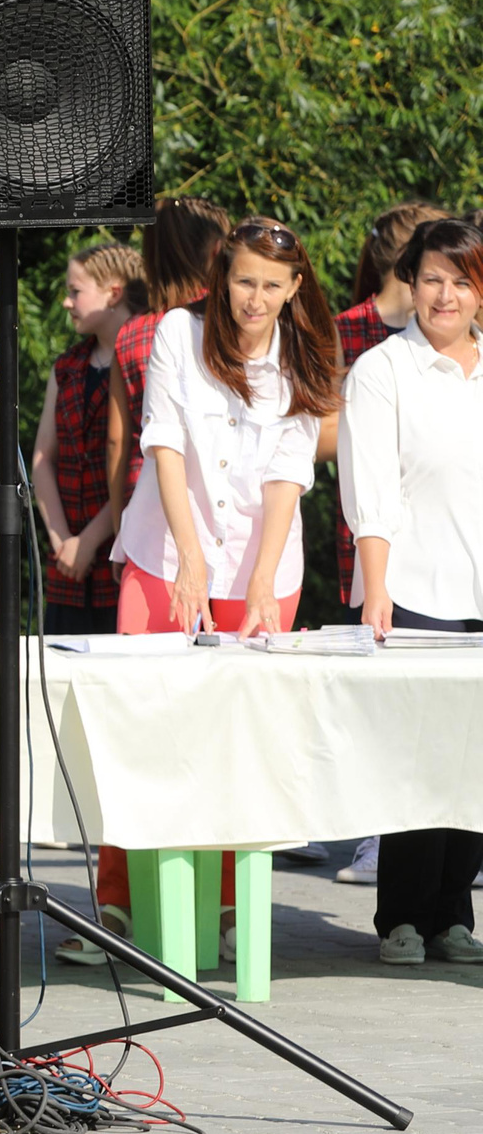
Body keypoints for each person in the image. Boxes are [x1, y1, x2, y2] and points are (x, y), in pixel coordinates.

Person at [75, 217, 341, 960]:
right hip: (166, 555)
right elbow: (162, 439)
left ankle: (226, 902)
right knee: (145, 725)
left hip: (262, 564)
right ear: (222, 277)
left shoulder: (303, 352)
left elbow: (291, 470)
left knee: (239, 736)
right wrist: (188, 555)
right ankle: (119, 902)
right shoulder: (174, 336)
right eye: (243, 280)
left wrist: (258, 580)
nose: (254, 298)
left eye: (270, 285)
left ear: (294, 289)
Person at [337, 216, 483, 965]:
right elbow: (371, 487)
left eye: (462, 279)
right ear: (409, 282)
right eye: (432, 278)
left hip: (480, 592)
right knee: (418, 756)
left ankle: (454, 911)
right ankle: (402, 914)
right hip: (414, 587)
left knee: (474, 757)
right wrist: (377, 584)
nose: (446, 294)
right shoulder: (383, 369)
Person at [327, 200, 447, 886]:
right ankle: (383, 853)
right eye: (432, 272)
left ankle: (449, 886)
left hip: (458, 564)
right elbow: (320, 433)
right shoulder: (363, 344)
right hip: (381, 555)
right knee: (395, 723)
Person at [31, 242, 145, 633]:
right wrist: (63, 539)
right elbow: (43, 457)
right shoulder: (66, 368)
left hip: (122, 557)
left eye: (75, 291)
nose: (67, 302)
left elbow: (140, 461)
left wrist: (91, 540)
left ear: (113, 293)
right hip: (69, 566)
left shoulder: (146, 360)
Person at [104, 196, 228, 533]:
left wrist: (120, 527)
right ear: (218, 252)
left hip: (146, 517)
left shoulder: (130, 334)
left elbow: (117, 441)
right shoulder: (228, 324)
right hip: (218, 509)